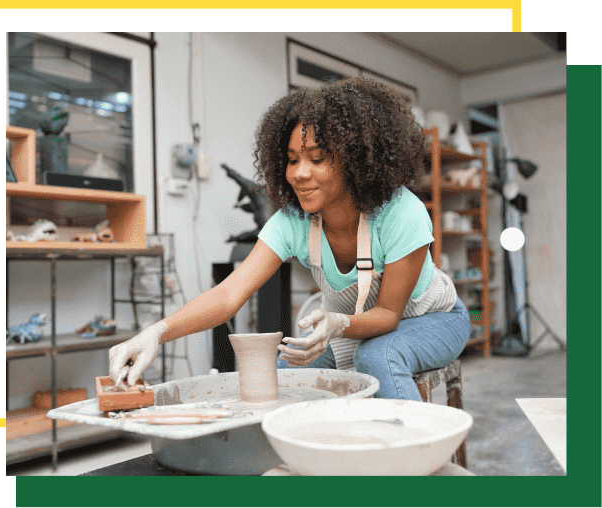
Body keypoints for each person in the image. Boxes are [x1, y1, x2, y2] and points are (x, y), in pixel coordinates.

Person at [109, 77, 470, 401]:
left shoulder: (400, 212)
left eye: (318, 159)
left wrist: (339, 323)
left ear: (356, 161)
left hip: (432, 320)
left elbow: (389, 316)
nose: (300, 173)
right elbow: (228, 294)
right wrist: (156, 333)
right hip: (355, 328)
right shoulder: (294, 221)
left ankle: (416, 462)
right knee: (283, 371)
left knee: (377, 355)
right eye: (292, 159)